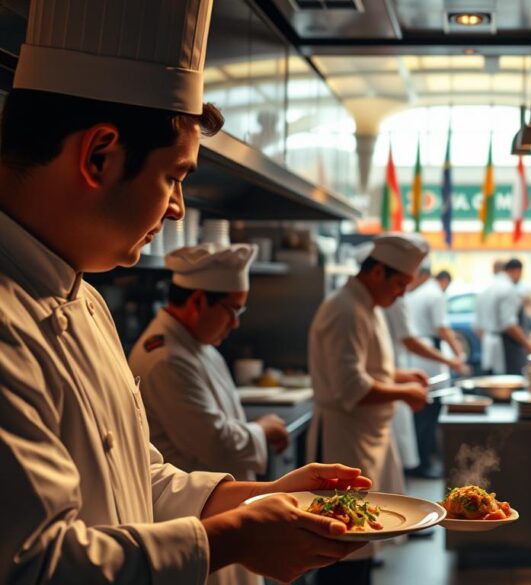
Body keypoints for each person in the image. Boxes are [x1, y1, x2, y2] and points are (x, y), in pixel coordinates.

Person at [0, 2, 371, 583]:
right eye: (174, 176)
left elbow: (136, 476)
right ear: (99, 156)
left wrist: (258, 497)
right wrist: (233, 538)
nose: (176, 208)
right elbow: (33, 565)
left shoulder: (85, 300)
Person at [127, 244, 291, 585]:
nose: (234, 323)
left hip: (219, 507)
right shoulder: (167, 359)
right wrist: (260, 431)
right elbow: (216, 441)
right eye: (232, 310)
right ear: (198, 301)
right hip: (195, 518)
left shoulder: (196, 343)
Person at [308, 233, 431, 585]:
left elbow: (367, 368)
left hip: (366, 438)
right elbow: (352, 387)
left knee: (363, 540)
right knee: (343, 547)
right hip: (344, 441)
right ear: (377, 272)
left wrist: (400, 375)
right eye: (401, 283)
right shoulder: (344, 310)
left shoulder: (367, 305)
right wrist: (403, 392)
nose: (403, 293)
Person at [404, 265, 467, 478]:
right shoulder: (433, 293)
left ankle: (420, 461)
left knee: (421, 412)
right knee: (428, 411)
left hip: (419, 355)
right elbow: (443, 328)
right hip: (428, 356)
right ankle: (423, 463)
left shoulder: (416, 293)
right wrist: (458, 355)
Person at [475, 258, 531, 375]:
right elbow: (509, 325)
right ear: (517, 271)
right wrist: (528, 345)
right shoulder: (508, 289)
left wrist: (489, 340)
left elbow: (477, 327)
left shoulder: (486, 289)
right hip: (506, 347)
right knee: (509, 383)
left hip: (490, 345)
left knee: (492, 382)